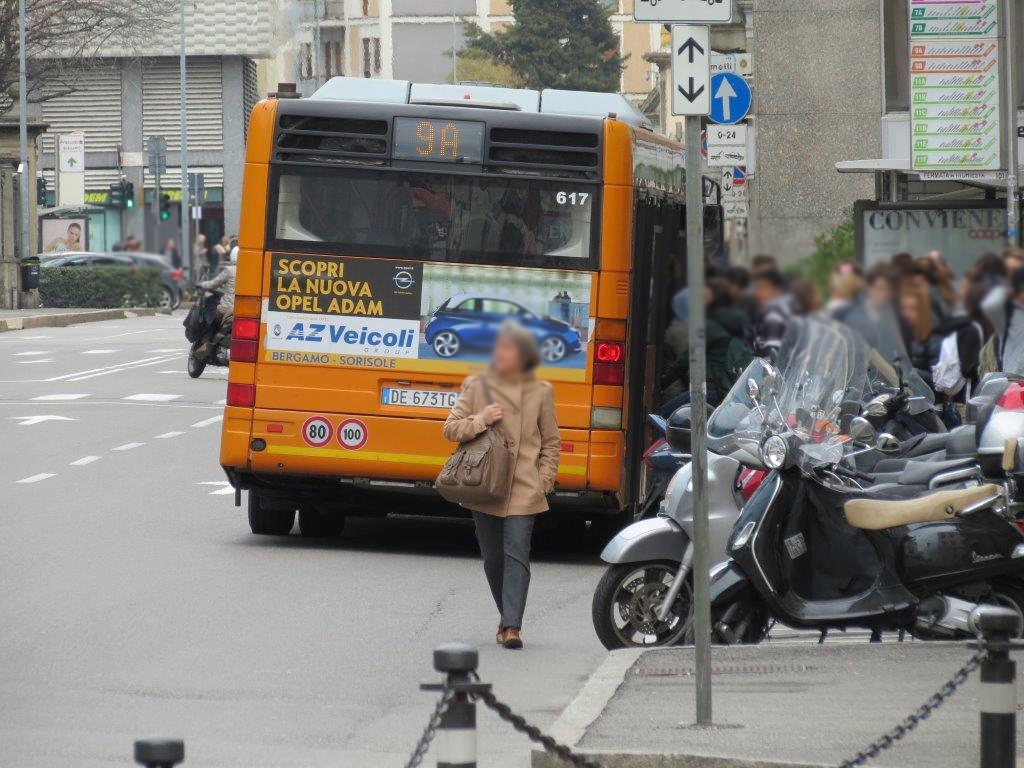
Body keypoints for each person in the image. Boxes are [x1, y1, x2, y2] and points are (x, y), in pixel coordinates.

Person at [442, 321, 560, 650]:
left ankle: (512, 626)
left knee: (517, 554)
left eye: (507, 349)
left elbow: (551, 442)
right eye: (497, 348)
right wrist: (481, 420)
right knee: (494, 559)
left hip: (524, 487)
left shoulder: (541, 391)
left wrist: (544, 480)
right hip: (485, 484)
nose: (500, 354)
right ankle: (506, 615)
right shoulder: (477, 386)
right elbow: (449, 429)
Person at [752, 267, 793, 356]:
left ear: (778, 290)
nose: (759, 293)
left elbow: (771, 359)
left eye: (764, 288)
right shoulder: (786, 308)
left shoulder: (774, 315)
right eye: (757, 288)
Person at [197, 242, 237, 331]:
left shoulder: (229, 270)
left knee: (208, 318)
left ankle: (207, 340)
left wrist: (202, 284)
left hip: (226, 309)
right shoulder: (250, 272)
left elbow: (213, 284)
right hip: (241, 310)